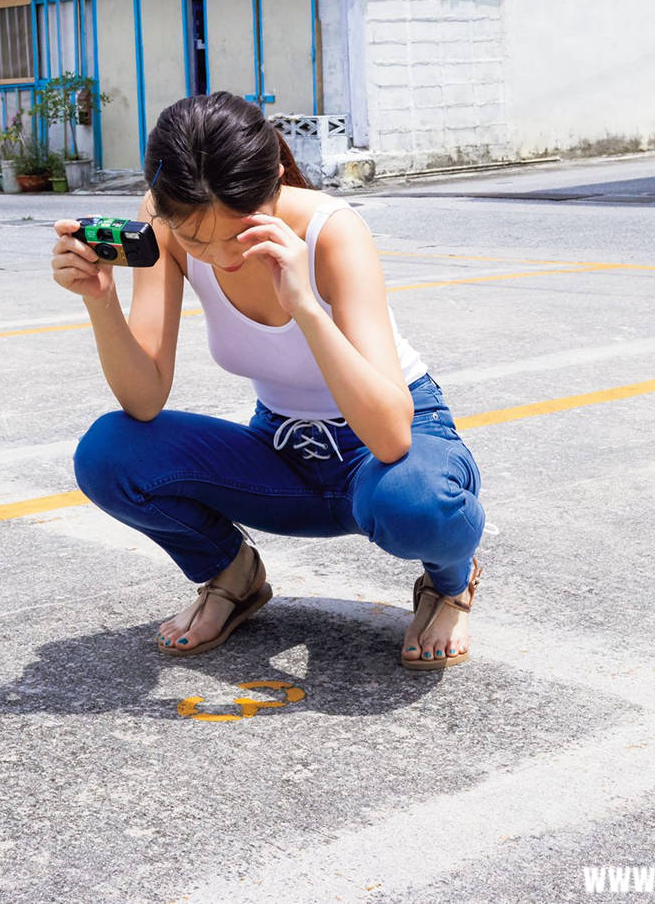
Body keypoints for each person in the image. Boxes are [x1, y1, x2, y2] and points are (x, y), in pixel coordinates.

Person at [53, 91, 485, 671]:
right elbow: (144, 398)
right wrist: (101, 302)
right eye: (196, 239)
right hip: (283, 449)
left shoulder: (333, 230)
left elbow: (391, 437)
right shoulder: (165, 221)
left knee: (414, 502)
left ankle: (450, 582)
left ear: (275, 183)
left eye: (237, 234)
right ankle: (231, 576)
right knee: (109, 453)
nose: (220, 256)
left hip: (389, 451)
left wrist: (306, 306)